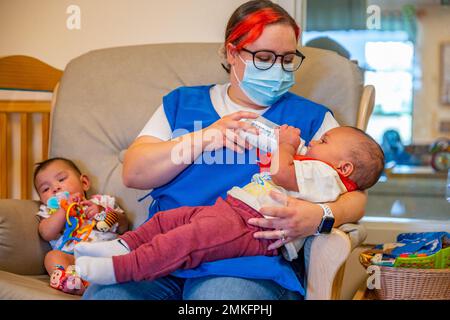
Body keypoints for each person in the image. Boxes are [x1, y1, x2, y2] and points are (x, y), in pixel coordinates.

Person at [83, 0, 369, 300]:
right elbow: (135, 172)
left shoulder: (310, 119)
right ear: (233, 53)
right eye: (264, 57)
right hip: (161, 254)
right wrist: (205, 137)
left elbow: (356, 192)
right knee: (106, 296)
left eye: (286, 59)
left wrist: (320, 215)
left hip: (245, 265)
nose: (278, 68)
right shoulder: (182, 103)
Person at [75, 125, 384, 286]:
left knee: (185, 240)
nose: (315, 142)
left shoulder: (327, 176)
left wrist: (286, 146)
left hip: (251, 228)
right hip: (234, 210)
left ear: (343, 168)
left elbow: (281, 172)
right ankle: (123, 246)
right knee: (169, 220)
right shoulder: (319, 166)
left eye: (324, 142)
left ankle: (122, 268)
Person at [34, 157, 128, 295]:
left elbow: (124, 226)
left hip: (105, 253)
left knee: (125, 248)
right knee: (52, 257)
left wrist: (101, 211)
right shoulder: (50, 212)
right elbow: (46, 233)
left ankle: (102, 281)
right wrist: (63, 210)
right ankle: (76, 283)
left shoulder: (102, 201)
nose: (55, 188)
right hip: (73, 260)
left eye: (61, 179)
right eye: (46, 189)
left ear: (84, 183)